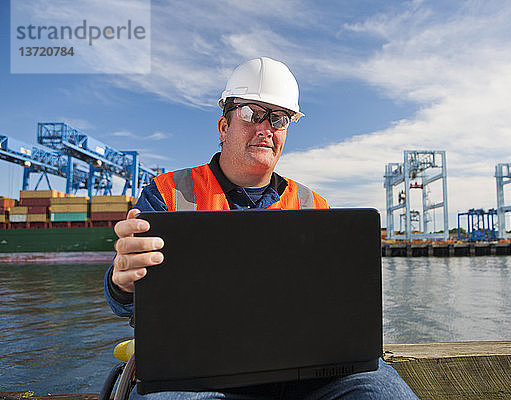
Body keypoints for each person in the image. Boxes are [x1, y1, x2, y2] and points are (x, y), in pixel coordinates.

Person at [104, 56, 419, 400]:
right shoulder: (168, 194)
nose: (265, 128)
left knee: (382, 391)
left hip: (310, 374)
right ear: (224, 127)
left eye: (279, 119)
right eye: (252, 114)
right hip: (197, 377)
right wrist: (122, 281)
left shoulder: (314, 206)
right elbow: (127, 298)